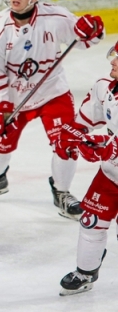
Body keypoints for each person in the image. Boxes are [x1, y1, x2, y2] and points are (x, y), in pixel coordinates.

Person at [0, 0, 104, 220]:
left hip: (53, 93)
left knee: (66, 142)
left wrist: (93, 29)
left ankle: (62, 192)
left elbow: (84, 39)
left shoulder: (55, 17)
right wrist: (2, 104)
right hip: (13, 99)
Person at [55, 40, 118, 295]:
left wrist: (107, 145)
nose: (112, 61)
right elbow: (86, 119)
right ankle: (85, 272)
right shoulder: (105, 87)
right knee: (91, 221)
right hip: (110, 175)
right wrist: (70, 134)